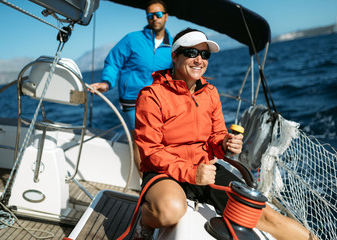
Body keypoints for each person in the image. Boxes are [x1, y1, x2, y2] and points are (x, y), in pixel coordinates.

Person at [134, 28, 318, 240]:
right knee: (169, 211)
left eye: (205, 54)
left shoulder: (210, 93)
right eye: (191, 53)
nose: (199, 60)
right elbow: (151, 151)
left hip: (206, 169)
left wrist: (224, 143)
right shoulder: (152, 96)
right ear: (175, 56)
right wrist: (191, 173)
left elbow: (216, 136)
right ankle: (145, 221)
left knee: (266, 216)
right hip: (163, 172)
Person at [88, 0, 173, 178]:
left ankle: (164, 181)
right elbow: (113, 61)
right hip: (132, 98)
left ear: (166, 16)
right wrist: (106, 82)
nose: (154, 18)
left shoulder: (173, 46)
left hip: (160, 101)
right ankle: (146, 185)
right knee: (141, 140)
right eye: (150, 15)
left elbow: (178, 72)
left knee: (163, 140)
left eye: (158, 14)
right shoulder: (132, 39)